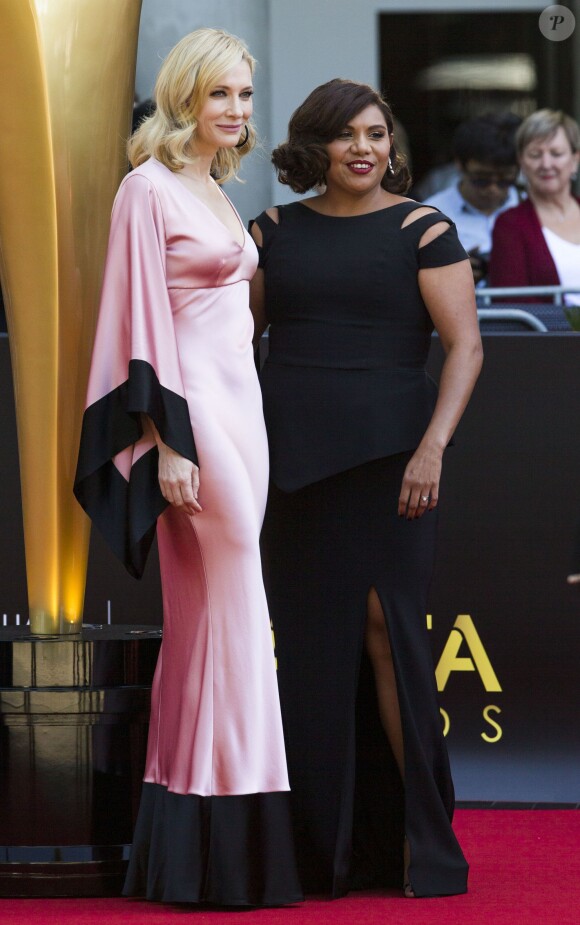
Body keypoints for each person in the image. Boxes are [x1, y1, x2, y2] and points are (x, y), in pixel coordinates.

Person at [74, 28, 302, 907]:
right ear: (184, 97)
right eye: (219, 94)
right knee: (234, 605)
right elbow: (136, 320)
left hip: (245, 413)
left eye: (243, 94)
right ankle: (234, 826)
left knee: (209, 619)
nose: (236, 110)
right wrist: (166, 441)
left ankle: (191, 842)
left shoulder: (217, 187)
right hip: (191, 418)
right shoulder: (147, 187)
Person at [249, 79, 483, 899]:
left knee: (390, 634)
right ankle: (322, 851)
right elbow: (235, 345)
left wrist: (433, 448)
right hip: (291, 465)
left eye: (376, 134)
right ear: (314, 144)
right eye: (346, 134)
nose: (363, 148)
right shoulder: (271, 232)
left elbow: (465, 347)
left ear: (392, 146)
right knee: (309, 649)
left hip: (394, 463)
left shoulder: (424, 228)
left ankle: (418, 843)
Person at [489, 109, 580, 304]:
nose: (546, 164)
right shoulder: (509, 225)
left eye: (556, 154)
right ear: (521, 162)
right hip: (553, 325)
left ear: (575, 159)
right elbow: (512, 303)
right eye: (535, 155)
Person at [424, 112, 521, 284]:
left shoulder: (531, 210)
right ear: (460, 165)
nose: (493, 189)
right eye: (481, 180)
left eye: (504, 181)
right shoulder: (430, 216)